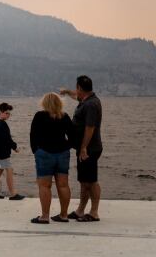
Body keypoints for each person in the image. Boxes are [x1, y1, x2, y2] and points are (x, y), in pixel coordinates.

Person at [61, 75, 103, 222]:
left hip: (90, 149)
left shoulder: (91, 104)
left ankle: (94, 212)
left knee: (91, 181)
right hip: (84, 148)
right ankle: (80, 211)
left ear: (80, 88)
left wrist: (84, 147)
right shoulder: (86, 99)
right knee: (84, 181)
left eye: (76, 88)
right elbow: (75, 96)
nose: (75, 91)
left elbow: (90, 128)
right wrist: (66, 91)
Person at [29, 92, 73, 224]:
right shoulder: (64, 117)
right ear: (59, 103)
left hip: (44, 154)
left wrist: (36, 150)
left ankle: (45, 216)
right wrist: (67, 146)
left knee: (44, 185)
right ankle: (64, 215)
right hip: (62, 154)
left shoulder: (39, 116)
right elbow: (73, 136)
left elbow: (33, 135)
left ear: (44, 103)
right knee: (63, 185)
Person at [0, 102, 25, 200]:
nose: (8, 115)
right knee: (9, 170)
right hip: (2, 153)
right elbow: (7, 139)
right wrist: (15, 147)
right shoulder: (1, 124)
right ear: (0, 112)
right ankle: (13, 194)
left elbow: (4, 139)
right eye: (6, 113)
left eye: (9, 113)